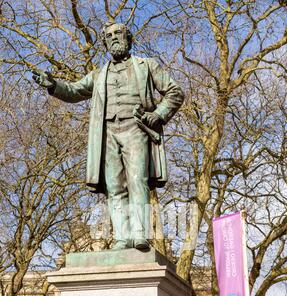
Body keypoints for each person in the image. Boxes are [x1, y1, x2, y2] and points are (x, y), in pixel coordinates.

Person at [32, 22, 184, 251]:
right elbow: (74, 91)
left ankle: (140, 234)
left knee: (137, 181)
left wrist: (159, 114)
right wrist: (53, 85)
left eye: (118, 33)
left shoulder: (147, 66)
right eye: (109, 35)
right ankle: (122, 237)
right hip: (108, 133)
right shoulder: (99, 74)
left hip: (136, 129)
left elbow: (175, 92)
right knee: (114, 187)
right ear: (104, 42)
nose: (113, 38)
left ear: (128, 38)